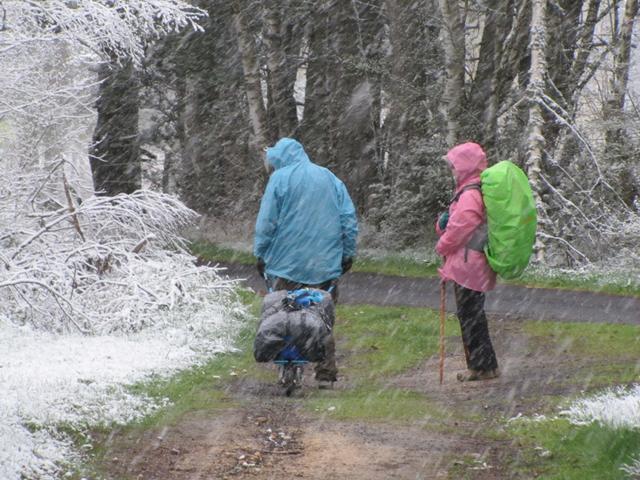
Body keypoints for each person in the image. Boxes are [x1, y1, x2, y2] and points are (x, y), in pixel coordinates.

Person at [254, 137, 358, 385]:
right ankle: (325, 372)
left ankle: (287, 361)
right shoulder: (329, 178)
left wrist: (261, 251)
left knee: (285, 313)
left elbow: (267, 220)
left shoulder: (279, 179)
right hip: (325, 263)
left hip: (286, 263)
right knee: (322, 316)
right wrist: (347, 253)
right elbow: (348, 219)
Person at [435, 142, 499, 382]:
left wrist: (443, 244)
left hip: (468, 262)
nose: (452, 170)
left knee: (470, 315)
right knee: (473, 314)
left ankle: (481, 367)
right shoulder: (473, 190)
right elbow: (458, 221)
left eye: (454, 166)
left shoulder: (470, 193)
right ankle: (486, 366)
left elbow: (463, 225)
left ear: (464, 166)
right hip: (473, 261)